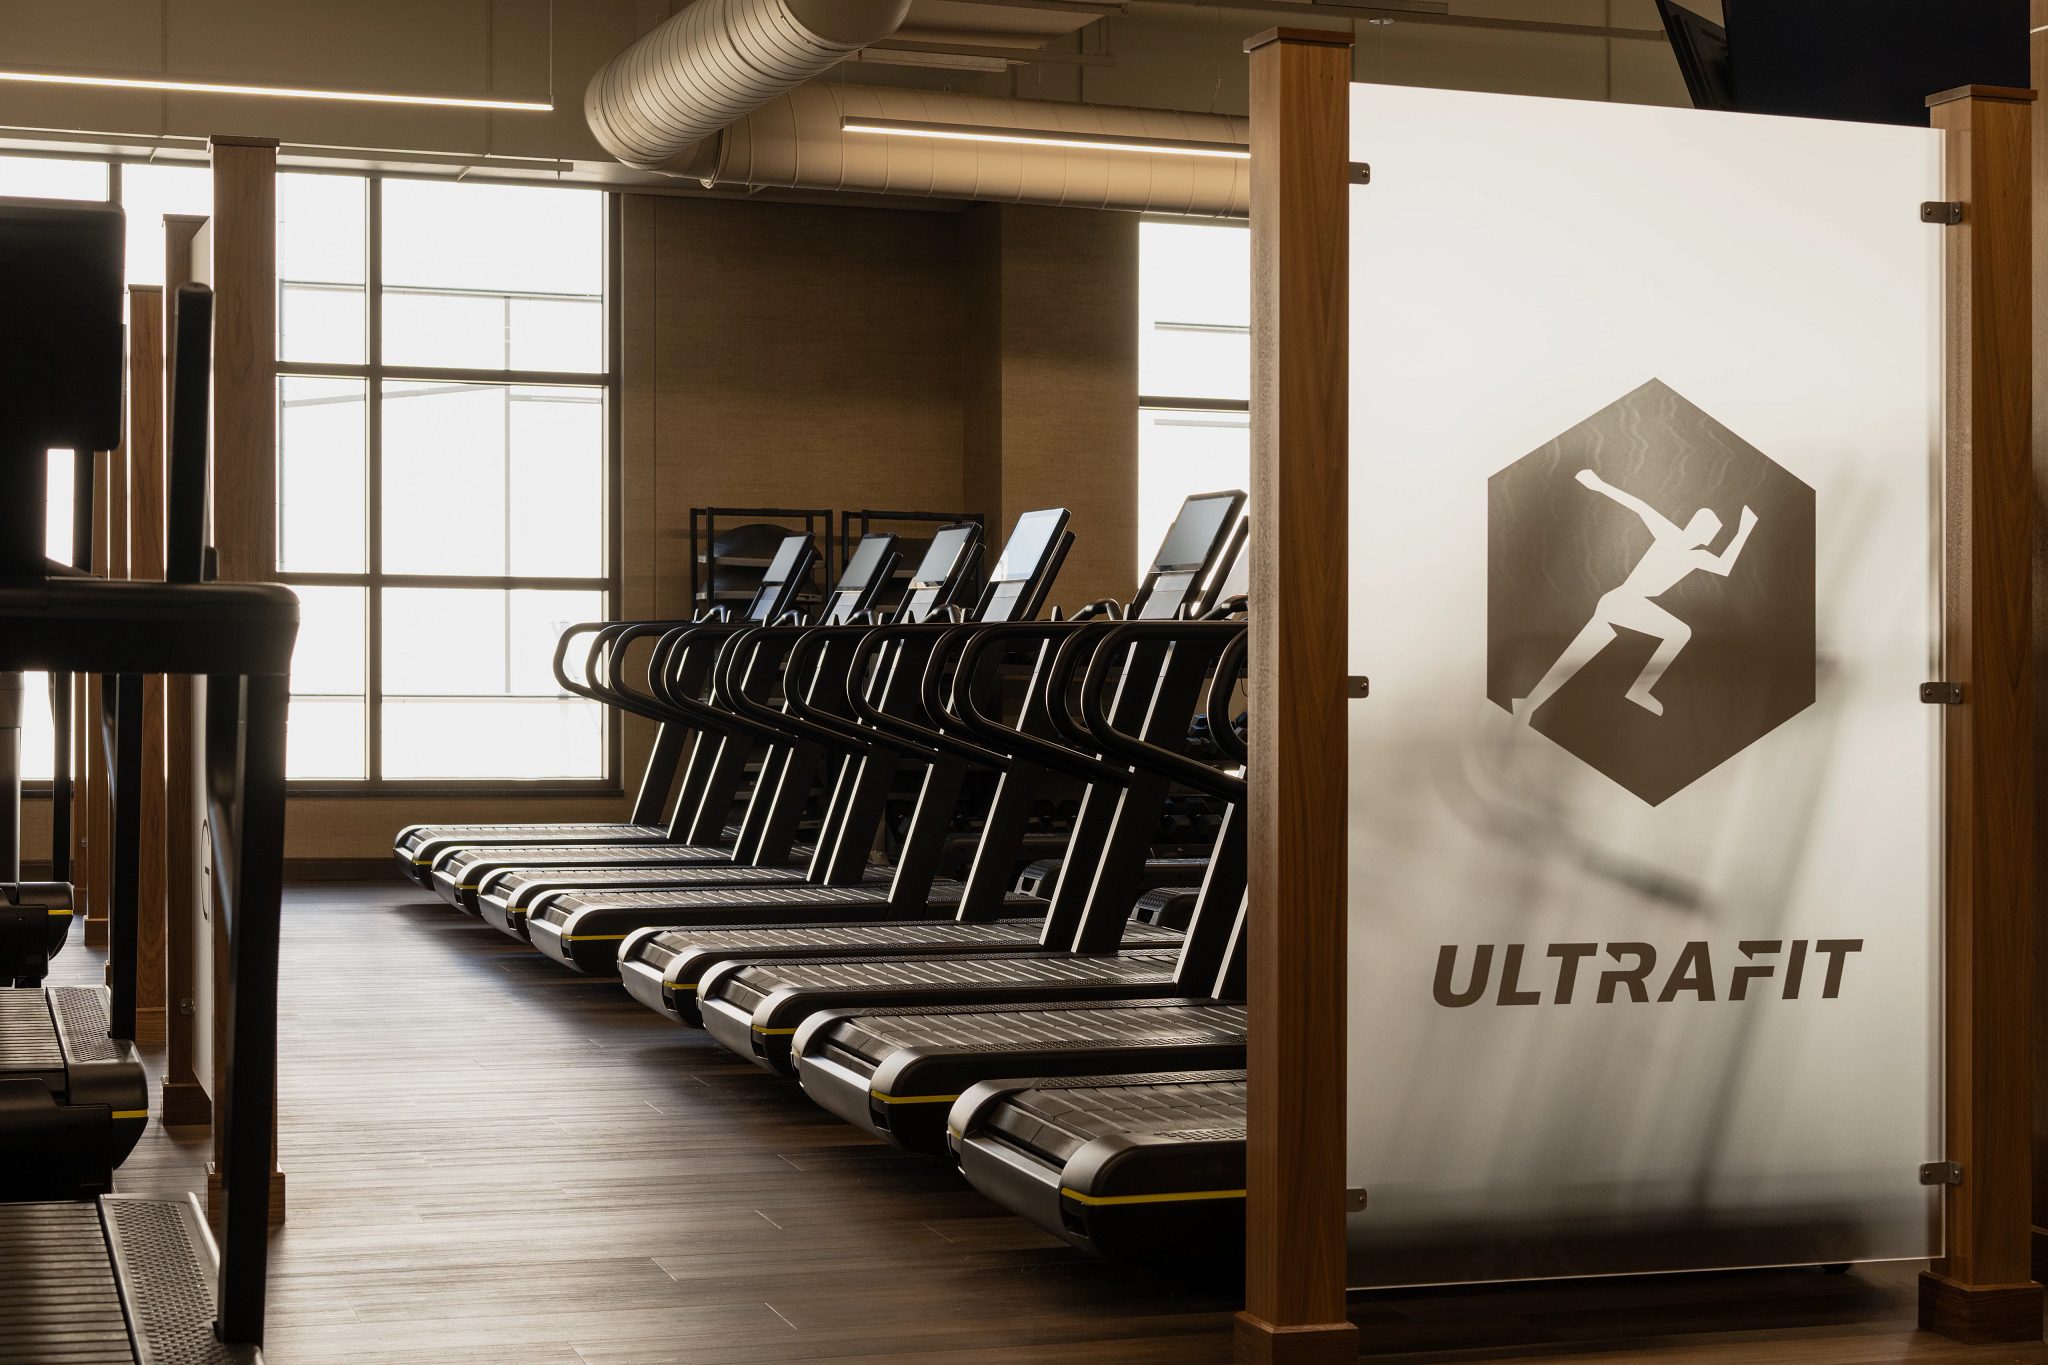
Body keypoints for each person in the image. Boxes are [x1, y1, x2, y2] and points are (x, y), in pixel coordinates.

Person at [1515, 469, 1757, 721]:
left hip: (1620, 603)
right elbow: (1639, 506)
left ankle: (1528, 704)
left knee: (1577, 656)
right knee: (1679, 633)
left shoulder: (1697, 556)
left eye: (1711, 536)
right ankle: (1640, 689)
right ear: (1696, 526)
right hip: (1624, 601)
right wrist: (1599, 485)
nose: (1708, 539)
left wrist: (1743, 532)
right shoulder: (1669, 534)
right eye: (1708, 532)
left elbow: (1724, 567)